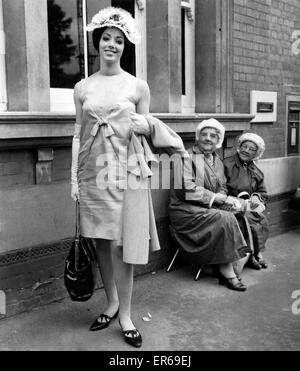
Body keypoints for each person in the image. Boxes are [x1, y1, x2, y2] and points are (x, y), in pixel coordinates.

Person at [71, 7, 185, 348]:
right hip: (93, 173)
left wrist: (145, 123)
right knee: (103, 243)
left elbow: (147, 129)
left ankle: (126, 315)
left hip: (126, 173)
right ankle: (111, 303)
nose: (111, 44)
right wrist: (73, 179)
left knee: (124, 244)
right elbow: (78, 132)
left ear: (125, 47)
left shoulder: (137, 86)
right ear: (97, 42)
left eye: (118, 40)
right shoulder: (82, 87)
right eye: (106, 38)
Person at [169, 119, 251, 292]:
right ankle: (227, 270)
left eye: (213, 136)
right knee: (225, 216)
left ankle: (245, 257)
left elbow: (222, 186)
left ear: (218, 141)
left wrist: (227, 199)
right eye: (204, 135)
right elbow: (186, 189)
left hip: (207, 208)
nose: (208, 138)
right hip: (185, 211)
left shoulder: (217, 161)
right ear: (197, 138)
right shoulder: (184, 157)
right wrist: (219, 199)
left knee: (242, 209)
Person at [223, 133, 269, 270]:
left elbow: (263, 193)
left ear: (257, 153)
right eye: (244, 146)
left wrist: (256, 198)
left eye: (252, 149)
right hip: (229, 204)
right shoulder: (226, 164)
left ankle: (256, 253)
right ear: (239, 146)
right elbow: (220, 187)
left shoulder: (256, 171)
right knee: (248, 219)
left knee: (261, 218)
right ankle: (251, 256)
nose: (246, 151)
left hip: (248, 204)